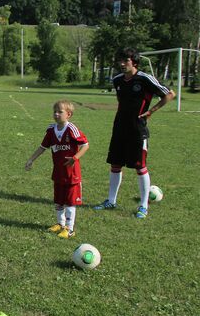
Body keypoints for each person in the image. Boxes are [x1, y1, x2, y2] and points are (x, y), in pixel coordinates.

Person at [92, 48, 175, 219]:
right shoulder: (117, 80)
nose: (122, 64)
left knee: (140, 166)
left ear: (134, 62)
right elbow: (121, 100)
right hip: (120, 128)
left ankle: (143, 206)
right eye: (120, 60)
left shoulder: (145, 79)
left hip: (138, 129)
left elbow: (169, 94)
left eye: (126, 60)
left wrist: (151, 111)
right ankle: (111, 201)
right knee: (115, 164)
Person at [25, 100, 90, 239]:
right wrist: (31, 159)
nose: (56, 114)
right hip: (58, 172)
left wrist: (75, 157)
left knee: (70, 201)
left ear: (69, 114)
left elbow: (85, 145)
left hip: (72, 174)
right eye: (54, 111)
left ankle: (70, 229)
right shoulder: (51, 130)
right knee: (59, 200)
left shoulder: (71, 129)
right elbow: (43, 147)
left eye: (60, 112)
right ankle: (60, 224)